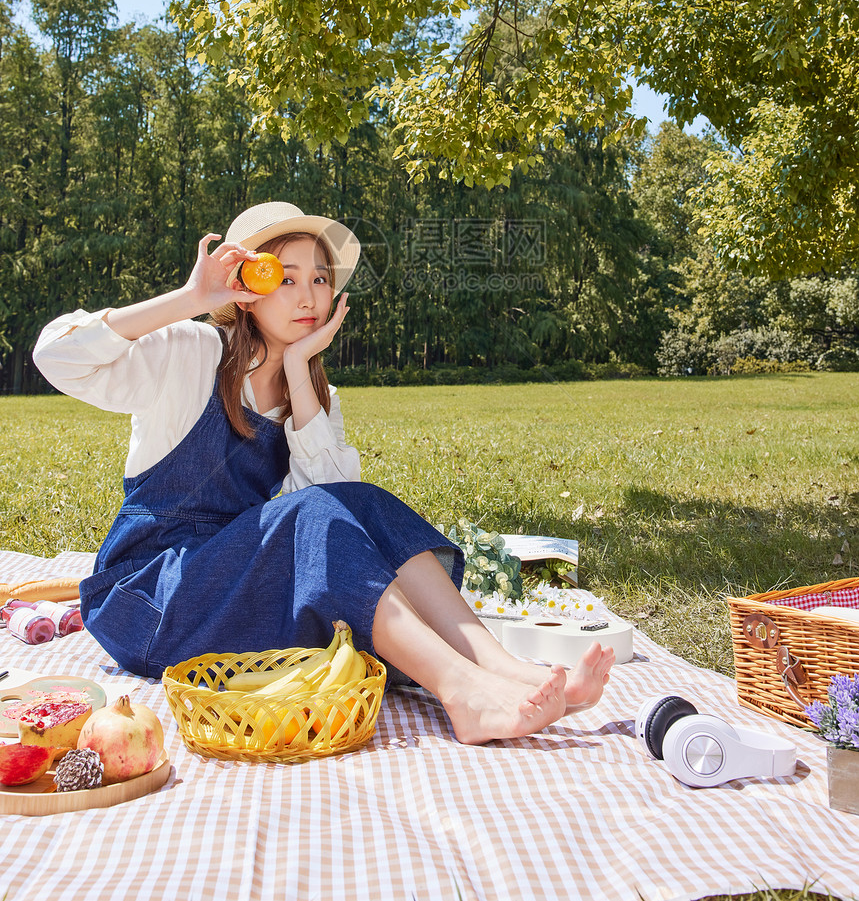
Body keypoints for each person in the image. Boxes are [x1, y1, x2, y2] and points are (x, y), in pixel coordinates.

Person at [33, 201, 613, 745]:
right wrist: (190, 297)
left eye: (319, 277)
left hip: (239, 592)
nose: (308, 294)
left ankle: (505, 669)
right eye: (284, 278)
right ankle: (461, 691)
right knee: (315, 514)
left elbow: (336, 520)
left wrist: (298, 370)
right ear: (246, 291)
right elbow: (56, 355)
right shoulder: (191, 351)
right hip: (153, 596)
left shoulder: (315, 391)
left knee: (365, 500)